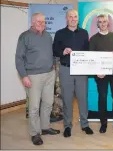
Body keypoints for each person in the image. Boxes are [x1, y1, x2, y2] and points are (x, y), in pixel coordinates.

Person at [15, 13, 60, 145]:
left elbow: (50, 52)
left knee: (48, 102)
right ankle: (35, 133)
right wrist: (24, 76)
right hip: (33, 76)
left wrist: (52, 63)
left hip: (49, 74)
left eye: (44, 22)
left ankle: (45, 127)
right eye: (39, 22)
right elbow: (19, 58)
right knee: (34, 106)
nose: (42, 24)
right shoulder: (25, 37)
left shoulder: (47, 36)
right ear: (32, 22)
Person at [53, 9, 93, 137]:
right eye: (70, 16)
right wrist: (63, 51)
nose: (73, 19)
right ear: (67, 18)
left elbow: (88, 51)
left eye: (75, 17)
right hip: (66, 69)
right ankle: (67, 126)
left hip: (81, 70)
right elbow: (54, 50)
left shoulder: (84, 33)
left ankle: (85, 124)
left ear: (78, 18)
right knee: (67, 99)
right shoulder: (59, 33)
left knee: (83, 98)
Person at [89, 14, 113, 133]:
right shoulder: (93, 39)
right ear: (97, 24)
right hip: (101, 72)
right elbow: (91, 58)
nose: (103, 24)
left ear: (108, 23)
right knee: (102, 97)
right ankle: (103, 123)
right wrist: (96, 72)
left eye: (105, 21)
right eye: (100, 22)